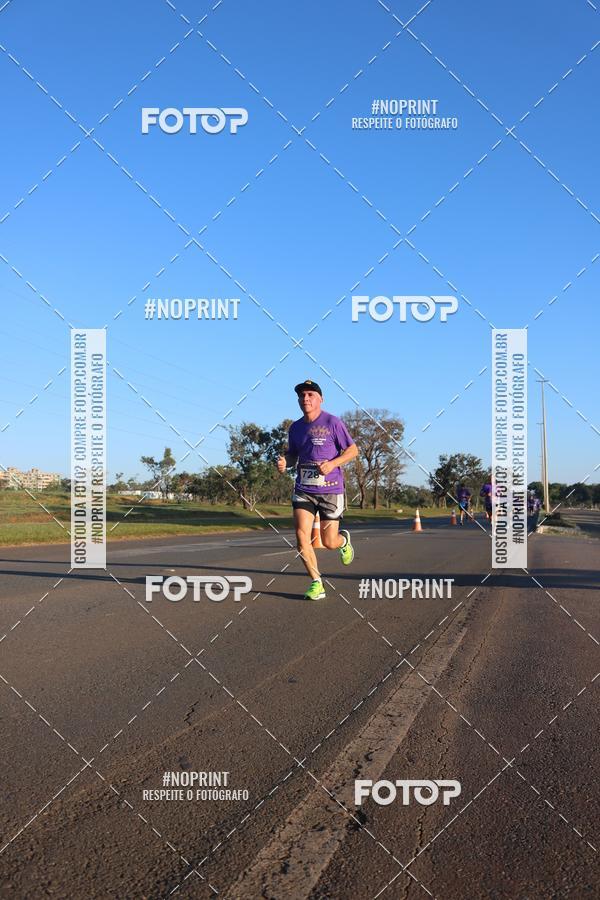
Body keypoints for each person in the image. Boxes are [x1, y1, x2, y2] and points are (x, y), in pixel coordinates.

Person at [276, 380, 359, 600]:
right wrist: (286, 462)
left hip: (331, 489)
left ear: (320, 399)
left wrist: (333, 463)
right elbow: (293, 454)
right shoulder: (295, 428)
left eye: (311, 394)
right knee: (301, 535)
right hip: (303, 488)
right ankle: (316, 583)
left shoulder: (333, 422)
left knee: (329, 541)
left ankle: (344, 541)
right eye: (302, 395)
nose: (306, 399)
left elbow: (353, 450)